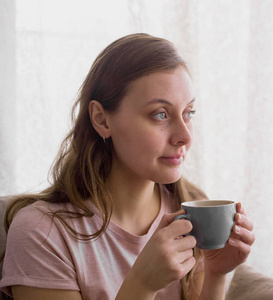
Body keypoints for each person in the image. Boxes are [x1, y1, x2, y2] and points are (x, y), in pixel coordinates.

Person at [0, 33, 255, 300]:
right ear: (102, 120)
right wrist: (142, 284)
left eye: (188, 112)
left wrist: (216, 273)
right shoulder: (42, 233)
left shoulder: (190, 209)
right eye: (160, 114)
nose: (186, 136)